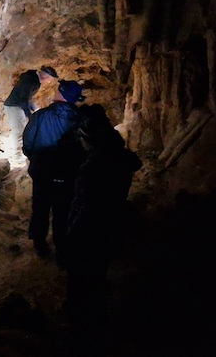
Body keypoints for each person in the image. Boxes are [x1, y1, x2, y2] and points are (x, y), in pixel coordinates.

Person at [65, 111, 142, 350]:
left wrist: (70, 236)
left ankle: (82, 335)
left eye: (82, 138)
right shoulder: (121, 159)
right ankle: (95, 325)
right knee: (97, 275)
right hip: (111, 225)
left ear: (92, 140)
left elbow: (84, 205)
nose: (80, 141)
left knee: (80, 281)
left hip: (89, 230)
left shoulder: (93, 168)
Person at [22, 80, 85, 263]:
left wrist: (36, 158)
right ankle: (62, 249)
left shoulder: (40, 116)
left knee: (40, 208)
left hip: (42, 173)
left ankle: (40, 245)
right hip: (67, 175)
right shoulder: (80, 119)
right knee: (63, 211)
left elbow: (28, 144)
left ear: (61, 94)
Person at [3, 66, 58, 154]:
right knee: (19, 131)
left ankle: (16, 151)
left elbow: (28, 97)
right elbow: (23, 99)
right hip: (14, 106)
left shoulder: (33, 79)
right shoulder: (30, 81)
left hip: (17, 105)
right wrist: (29, 115)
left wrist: (35, 109)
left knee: (21, 130)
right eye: (49, 80)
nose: (48, 82)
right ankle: (17, 157)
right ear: (45, 76)